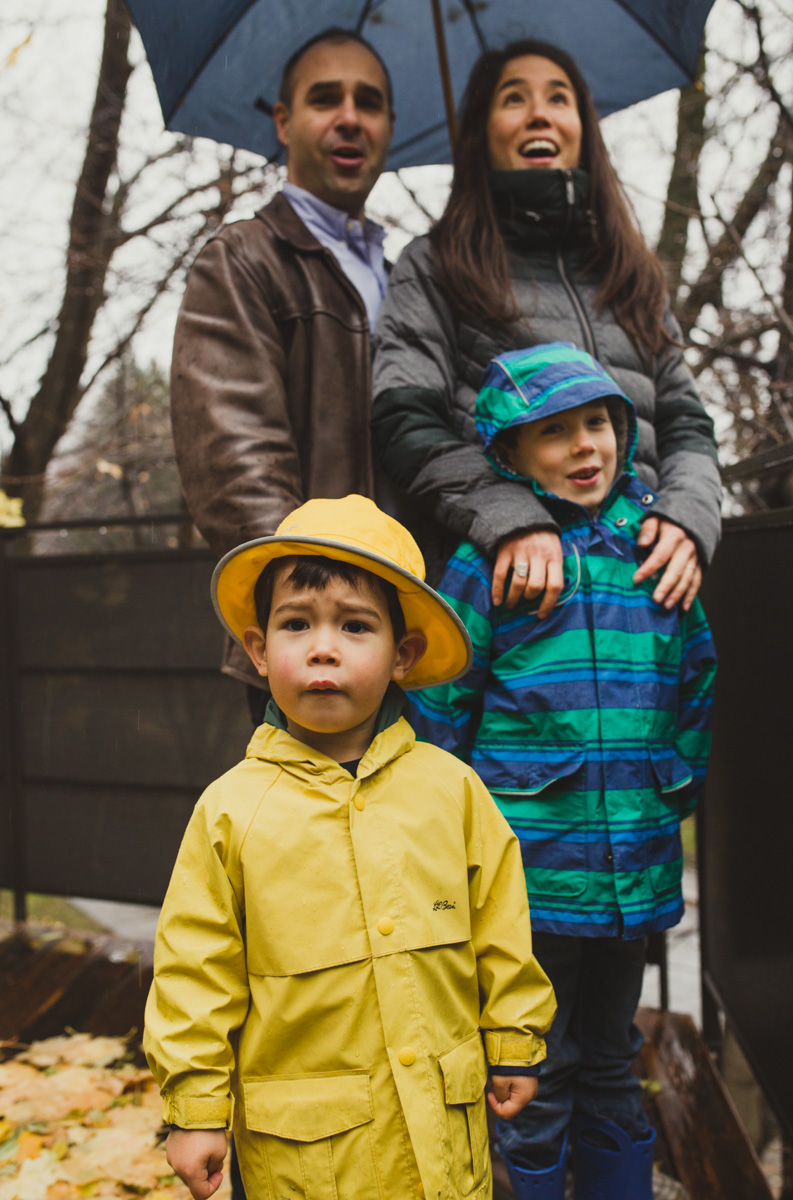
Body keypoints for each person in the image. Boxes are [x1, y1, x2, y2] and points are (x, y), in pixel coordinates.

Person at [143, 494, 558, 1200]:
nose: (323, 646)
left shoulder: (451, 790)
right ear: (257, 649)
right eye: (296, 623)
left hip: (442, 1146)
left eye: (355, 626)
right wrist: (196, 1112)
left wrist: (513, 1035)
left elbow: (500, 924)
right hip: (309, 1164)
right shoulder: (231, 811)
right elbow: (194, 973)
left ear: (404, 655)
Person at [409, 344, 717, 1200]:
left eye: (598, 424)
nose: (585, 446)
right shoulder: (493, 564)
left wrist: (672, 787)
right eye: (554, 433)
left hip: (633, 864)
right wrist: (451, 822)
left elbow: (697, 678)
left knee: (614, 1059)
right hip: (529, 875)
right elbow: (443, 695)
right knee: (532, 1065)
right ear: (509, 456)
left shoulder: (653, 550)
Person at [372, 39, 721, 616]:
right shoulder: (436, 264)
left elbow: (686, 421)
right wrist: (512, 517)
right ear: (482, 131)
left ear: (582, 126)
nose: (540, 113)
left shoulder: (632, 271)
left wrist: (688, 513)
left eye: (559, 98)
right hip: (511, 604)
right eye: (514, 98)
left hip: (645, 599)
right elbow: (402, 418)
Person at [170, 28, 395, 720]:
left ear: (390, 125)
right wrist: (326, 615)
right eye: (325, 99)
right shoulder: (242, 262)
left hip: (416, 639)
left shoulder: (408, 275)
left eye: (371, 101)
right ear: (283, 121)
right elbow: (237, 469)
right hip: (315, 652)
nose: (350, 116)